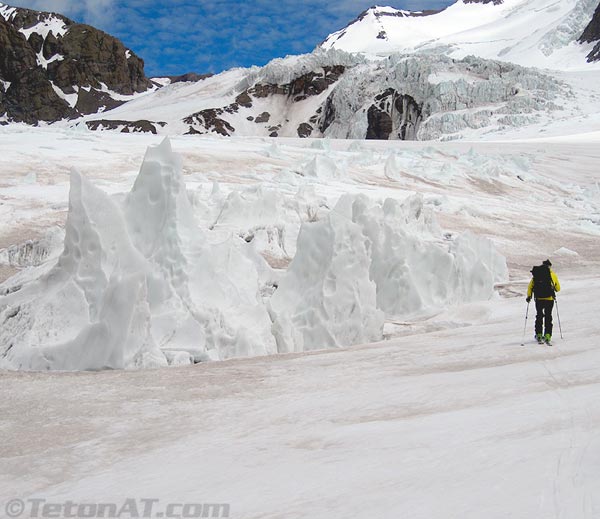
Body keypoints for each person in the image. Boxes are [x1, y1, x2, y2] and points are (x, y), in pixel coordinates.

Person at [526, 259, 560, 344]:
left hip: (539, 299)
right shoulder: (553, 275)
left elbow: (530, 286)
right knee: (548, 316)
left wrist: (529, 296)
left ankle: (539, 334)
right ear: (550, 266)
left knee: (539, 316)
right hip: (549, 299)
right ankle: (548, 335)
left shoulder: (537, 274)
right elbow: (558, 289)